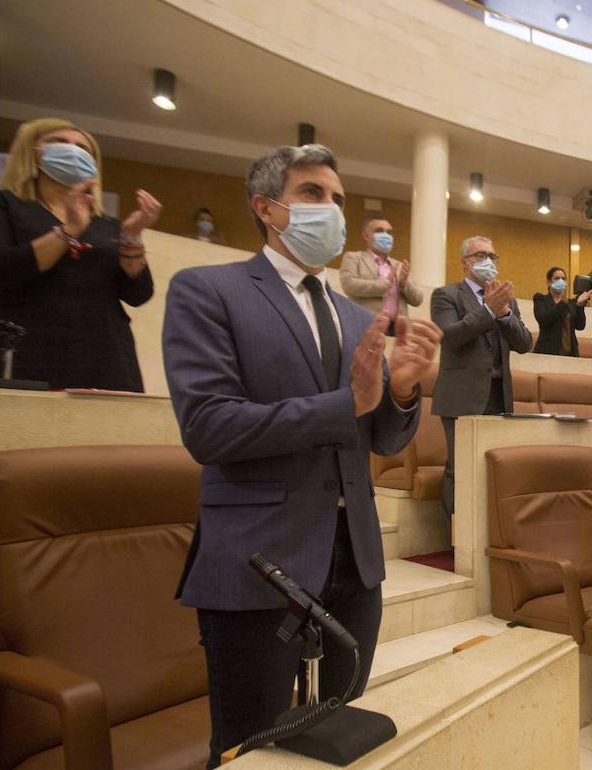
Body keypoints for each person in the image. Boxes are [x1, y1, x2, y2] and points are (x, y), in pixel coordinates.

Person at [162, 143, 442, 768]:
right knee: (248, 746)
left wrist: (399, 394)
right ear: (268, 208)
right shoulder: (210, 290)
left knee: (333, 739)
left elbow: (384, 442)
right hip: (260, 559)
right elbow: (208, 428)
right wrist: (350, 401)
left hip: (353, 560)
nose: (333, 211)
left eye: (338, 199)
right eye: (314, 194)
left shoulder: (349, 313)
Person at [0, 118, 160, 391]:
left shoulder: (107, 224)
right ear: (33, 152)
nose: (73, 151)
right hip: (25, 350)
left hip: (105, 356)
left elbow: (138, 294)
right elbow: (3, 270)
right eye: (60, 143)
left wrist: (131, 238)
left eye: (83, 148)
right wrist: (70, 230)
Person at [431, 235, 533, 521]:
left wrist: (504, 313)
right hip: (461, 395)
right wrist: (488, 310)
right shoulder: (446, 295)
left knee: (492, 468)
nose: (487, 261)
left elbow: (525, 343)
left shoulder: (506, 299)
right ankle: (454, 534)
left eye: (492, 255)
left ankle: (483, 530)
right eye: (479, 255)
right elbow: (452, 336)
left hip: (499, 393)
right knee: (460, 466)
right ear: (464, 263)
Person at [339, 214, 425, 315]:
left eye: (389, 232)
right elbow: (348, 285)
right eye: (379, 231)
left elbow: (417, 299)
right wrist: (385, 285)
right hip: (366, 324)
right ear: (366, 236)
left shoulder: (399, 266)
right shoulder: (354, 257)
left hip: (397, 327)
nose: (386, 236)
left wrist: (403, 284)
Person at [532, 266, 592, 356]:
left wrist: (580, 306)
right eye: (557, 278)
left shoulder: (572, 303)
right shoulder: (541, 299)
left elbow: (580, 326)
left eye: (563, 279)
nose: (561, 281)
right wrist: (562, 303)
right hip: (547, 352)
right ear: (549, 282)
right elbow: (543, 320)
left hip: (571, 354)